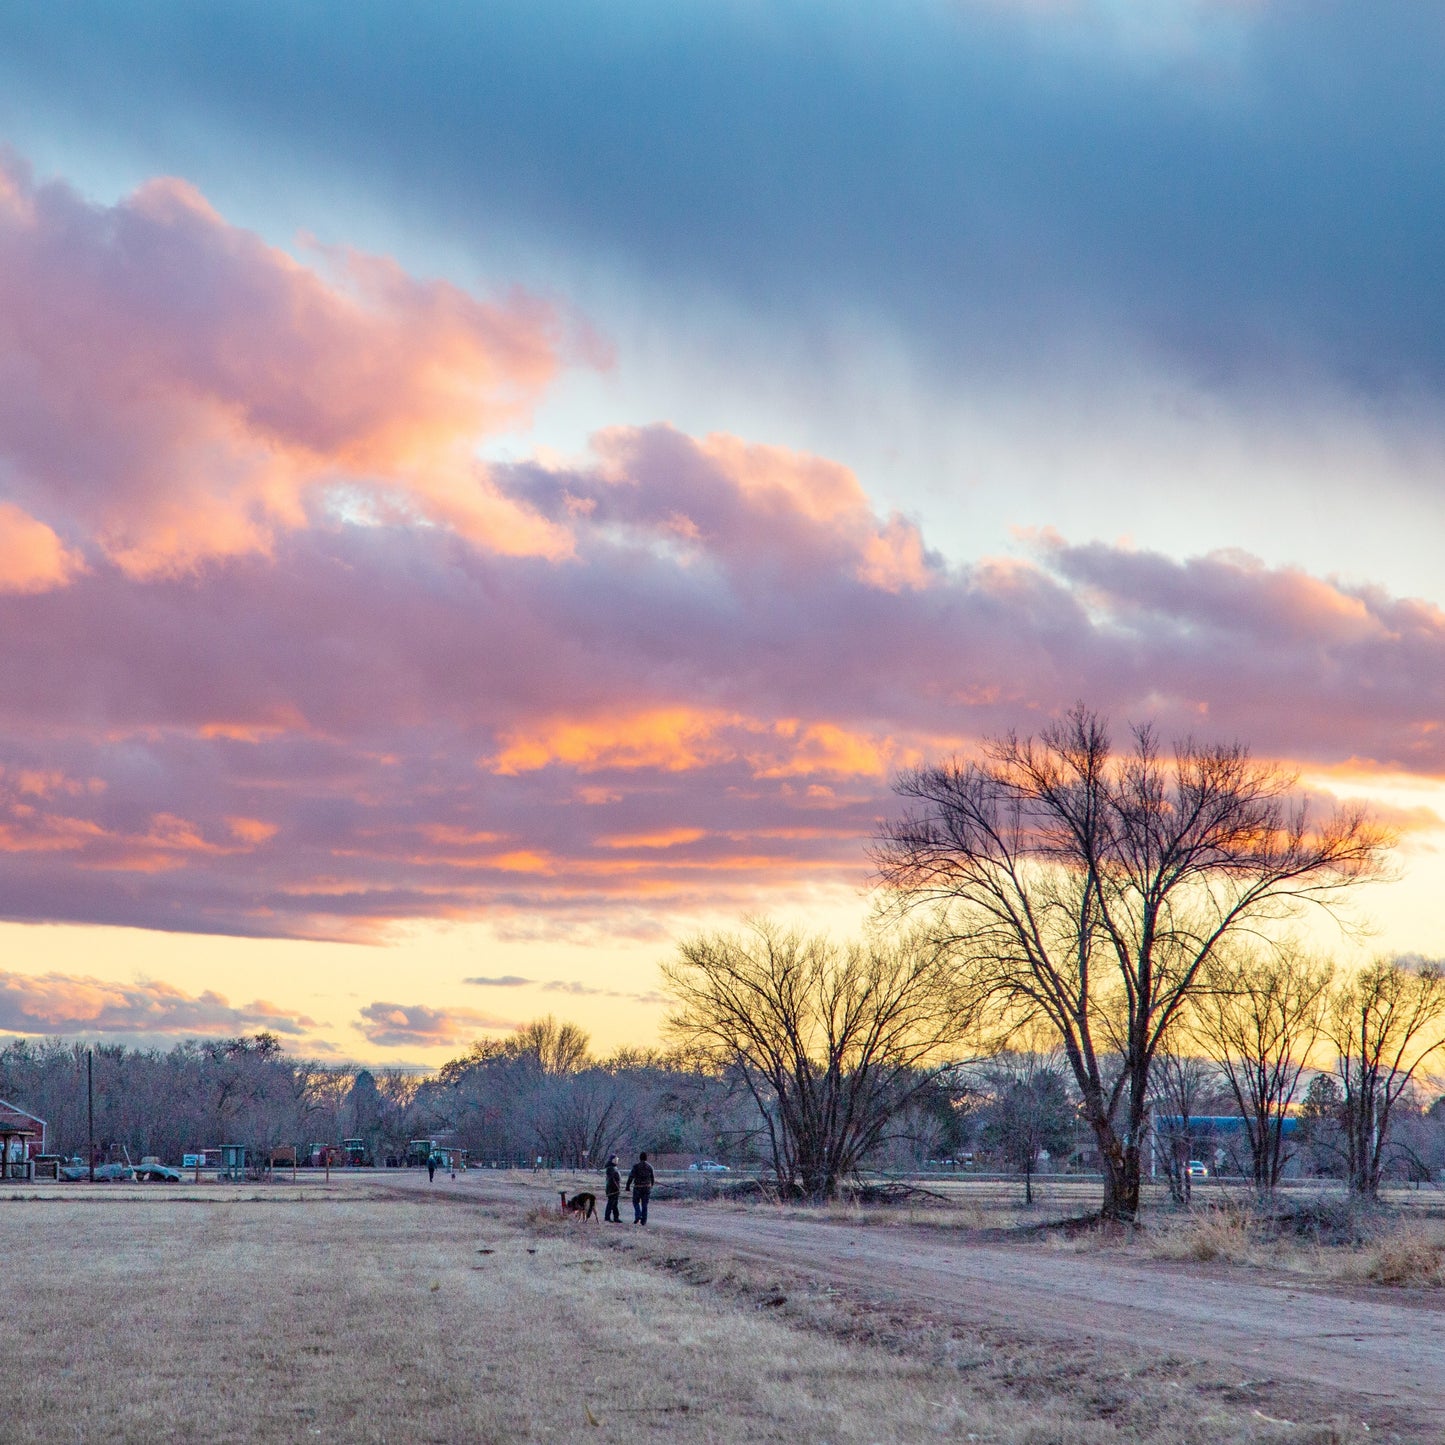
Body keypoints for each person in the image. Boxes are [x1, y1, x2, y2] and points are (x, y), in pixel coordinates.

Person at [625, 1151, 655, 1226]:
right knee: (645, 1204)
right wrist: (651, 1186)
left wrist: (628, 1186)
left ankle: (638, 1215)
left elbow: (631, 1177)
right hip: (647, 1187)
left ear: (640, 1158)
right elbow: (652, 1178)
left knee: (635, 1202)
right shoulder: (650, 1167)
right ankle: (644, 1221)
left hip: (637, 1187)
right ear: (646, 1158)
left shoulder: (636, 1166)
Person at [603, 1154, 622, 1223]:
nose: (617, 1161)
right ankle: (607, 1217)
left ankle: (616, 1217)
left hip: (614, 1188)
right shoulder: (610, 1168)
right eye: (615, 1159)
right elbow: (612, 1180)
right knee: (611, 1203)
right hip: (612, 1189)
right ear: (612, 1160)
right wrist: (617, 1188)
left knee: (614, 1204)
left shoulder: (613, 1167)